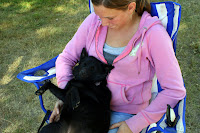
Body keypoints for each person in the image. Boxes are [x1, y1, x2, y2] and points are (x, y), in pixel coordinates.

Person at [49, 0, 186, 133]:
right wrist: (68, 96)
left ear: (131, 8)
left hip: (125, 112)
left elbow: (174, 90)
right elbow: (65, 58)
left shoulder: (153, 35)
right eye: (99, 16)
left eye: (110, 18)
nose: (102, 23)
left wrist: (135, 124)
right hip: (84, 106)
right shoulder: (93, 21)